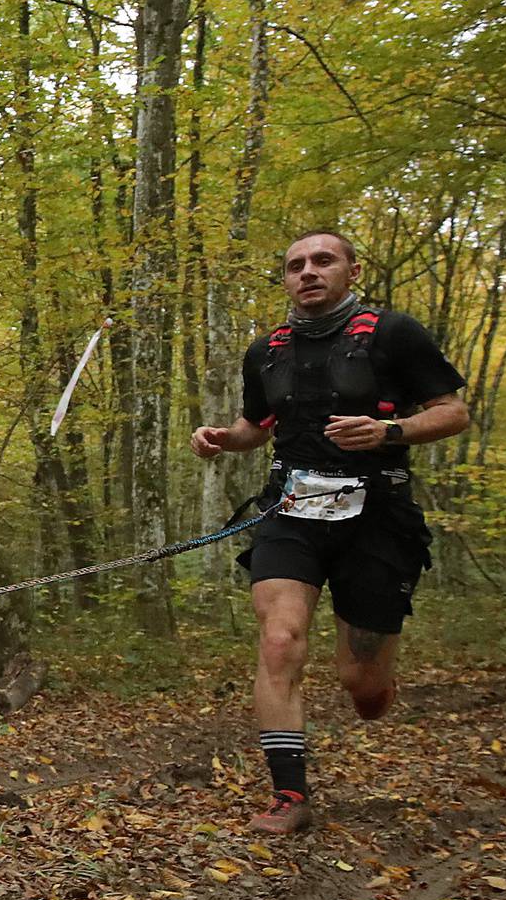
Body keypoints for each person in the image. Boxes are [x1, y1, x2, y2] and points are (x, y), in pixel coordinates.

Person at [190, 231, 468, 834]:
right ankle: (290, 796)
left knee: (363, 689)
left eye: (323, 261)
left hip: (377, 517)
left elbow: (454, 411)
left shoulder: (394, 334)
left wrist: (389, 433)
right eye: (295, 265)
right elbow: (255, 425)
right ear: (286, 280)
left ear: (351, 270)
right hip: (290, 512)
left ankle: (376, 681)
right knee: (279, 640)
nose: (308, 272)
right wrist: (221, 439)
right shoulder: (266, 350)